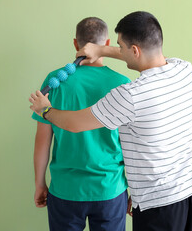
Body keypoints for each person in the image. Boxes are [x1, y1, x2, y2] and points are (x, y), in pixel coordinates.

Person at [30, 11, 192, 231]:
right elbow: (144, 53)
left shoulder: (130, 95)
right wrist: (102, 49)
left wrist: (45, 110)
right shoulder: (184, 69)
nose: (119, 52)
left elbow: (73, 124)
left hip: (157, 204)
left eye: (120, 47)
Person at [32, 17, 131, 231]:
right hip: (110, 189)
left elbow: (42, 142)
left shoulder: (54, 82)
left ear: (76, 44)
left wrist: (40, 184)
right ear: (106, 45)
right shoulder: (123, 84)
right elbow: (131, 145)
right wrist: (135, 190)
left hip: (66, 190)